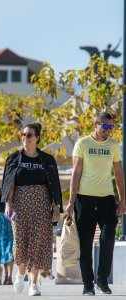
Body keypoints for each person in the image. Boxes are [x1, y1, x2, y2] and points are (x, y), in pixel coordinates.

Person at [0, 123, 63, 296]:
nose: (25, 137)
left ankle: (34, 283)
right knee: (20, 244)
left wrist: (56, 207)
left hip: (41, 204)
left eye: (29, 135)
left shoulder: (47, 159)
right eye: (23, 134)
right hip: (19, 204)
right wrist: (7, 204)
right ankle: (20, 273)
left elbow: (54, 184)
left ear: (37, 138)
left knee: (37, 244)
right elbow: (7, 183)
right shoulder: (13, 158)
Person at [66, 112, 125, 296]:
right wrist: (71, 200)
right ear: (95, 124)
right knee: (85, 244)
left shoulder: (114, 145)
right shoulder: (82, 144)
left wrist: (123, 199)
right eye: (104, 126)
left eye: (111, 127)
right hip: (84, 199)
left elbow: (119, 173)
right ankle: (88, 285)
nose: (108, 130)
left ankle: (102, 280)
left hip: (107, 199)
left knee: (108, 239)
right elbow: (76, 173)